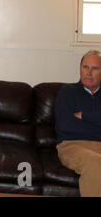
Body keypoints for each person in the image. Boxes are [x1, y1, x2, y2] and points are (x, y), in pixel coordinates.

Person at [54, 50, 101, 197]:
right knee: (96, 163)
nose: (88, 72)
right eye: (85, 67)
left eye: (94, 68)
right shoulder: (67, 92)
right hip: (72, 145)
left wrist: (84, 115)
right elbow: (65, 125)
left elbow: (75, 124)